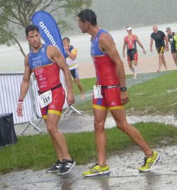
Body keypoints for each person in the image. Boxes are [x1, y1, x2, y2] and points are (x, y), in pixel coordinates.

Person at [77, 9, 160, 177]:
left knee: (122, 124)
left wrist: (123, 89)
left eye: (79, 22)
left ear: (86, 23)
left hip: (112, 88)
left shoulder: (103, 37)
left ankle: (150, 154)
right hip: (99, 88)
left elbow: (119, 64)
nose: (78, 25)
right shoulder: (93, 39)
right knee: (97, 124)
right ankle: (102, 165)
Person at [16, 24, 75, 175]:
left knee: (51, 127)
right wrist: (20, 101)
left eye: (37, 35)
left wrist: (70, 92)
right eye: (31, 36)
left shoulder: (50, 50)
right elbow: (26, 80)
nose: (35, 39)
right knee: (51, 130)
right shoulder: (28, 58)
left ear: (40, 35)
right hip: (43, 96)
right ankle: (60, 160)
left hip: (56, 92)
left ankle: (68, 159)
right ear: (27, 38)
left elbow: (66, 69)